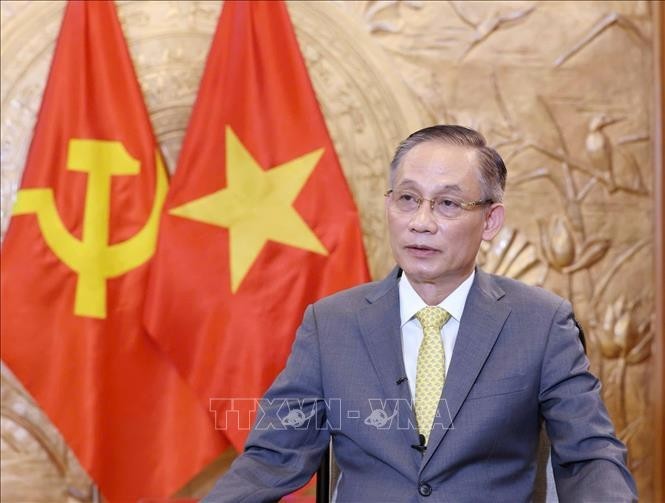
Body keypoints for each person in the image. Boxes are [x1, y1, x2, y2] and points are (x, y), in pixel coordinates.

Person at [203, 125, 637, 502]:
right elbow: (271, 460)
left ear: (490, 221)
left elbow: (589, 456)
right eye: (408, 199)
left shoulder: (540, 323)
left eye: (447, 204)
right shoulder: (331, 324)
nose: (420, 222)